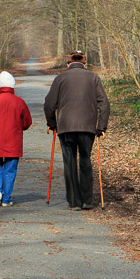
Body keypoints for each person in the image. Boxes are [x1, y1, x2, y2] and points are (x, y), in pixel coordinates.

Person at [43, 51, 110, 210]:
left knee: (70, 162)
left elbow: (49, 104)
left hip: (65, 127)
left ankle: (74, 202)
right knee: (86, 161)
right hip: (87, 127)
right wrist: (101, 127)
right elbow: (105, 103)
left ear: (68, 64)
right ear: (84, 64)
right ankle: (87, 201)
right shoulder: (93, 78)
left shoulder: (60, 78)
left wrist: (52, 123)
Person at [0, 71, 33, 207]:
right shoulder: (19, 102)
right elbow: (27, 122)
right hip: (13, 142)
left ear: (0, 85)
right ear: (12, 86)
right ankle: (6, 199)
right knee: (10, 170)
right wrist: (19, 128)